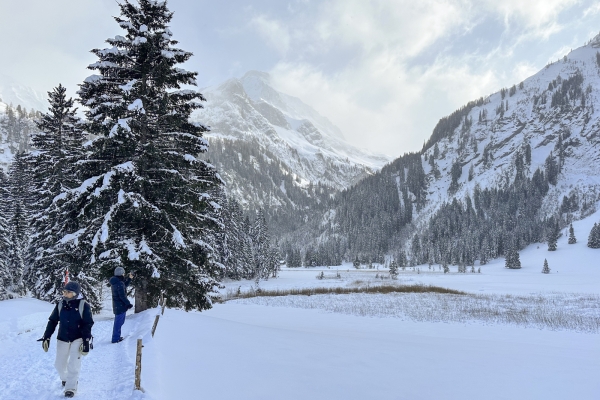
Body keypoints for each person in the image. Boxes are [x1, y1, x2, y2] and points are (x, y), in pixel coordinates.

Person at [38, 281, 94, 398]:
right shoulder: (60, 304)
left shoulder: (84, 305)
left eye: (68, 292)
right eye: (64, 291)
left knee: (74, 364)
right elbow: (52, 321)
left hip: (77, 338)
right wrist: (47, 336)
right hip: (62, 338)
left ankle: (71, 388)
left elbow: (88, 323)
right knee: (59, 364)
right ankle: (65, 379)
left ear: (75, 293)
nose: (65, 293)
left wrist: (86, 341)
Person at [109, 267, 134, 343]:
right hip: (120, 306)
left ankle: (117, 337)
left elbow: (124, 286)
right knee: (118, 323)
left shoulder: (117, 282)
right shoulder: (119, 283)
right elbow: (122, 296)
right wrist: (128, 304)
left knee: (119, 322)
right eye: (123, 273)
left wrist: (129, 279)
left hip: (118, 305)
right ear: (120, 273)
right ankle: (115, 338)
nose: (124, 274)